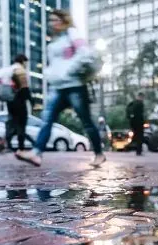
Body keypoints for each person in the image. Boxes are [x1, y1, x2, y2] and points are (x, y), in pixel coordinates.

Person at [16, 9, 104, 167]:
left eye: (56, 19)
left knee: (86, 122)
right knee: (47, 119)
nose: (52, 23)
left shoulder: (72, 34)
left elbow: (84, 53)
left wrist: (69, 71)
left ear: (64, 21)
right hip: (57, 87)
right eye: (50, 20)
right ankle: (37, 153)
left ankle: (99, 153)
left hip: (74, 86)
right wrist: (50, 74)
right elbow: (55, 65)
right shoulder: (54, 41)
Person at [0, 54, 35, 154]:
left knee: (13, 124)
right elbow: (24, 88)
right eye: (26, 62)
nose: (27, 64)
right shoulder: (20, 70)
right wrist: (32, 102)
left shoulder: (10, 69)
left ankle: (3, 143)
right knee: (21, 125)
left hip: (10, 102)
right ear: (23, 61)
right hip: (19, 101)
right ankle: (21, 149)